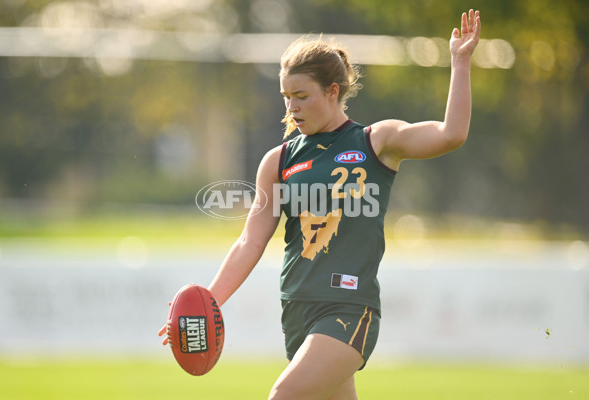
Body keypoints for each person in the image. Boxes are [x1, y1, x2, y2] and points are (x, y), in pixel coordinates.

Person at [160, 9, 481, 400]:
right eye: (286, 97)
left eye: (301, 96)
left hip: (348, 308)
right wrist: (208, 304)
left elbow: (452, 134)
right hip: (296, 311)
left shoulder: (376, 142)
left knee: (283, 396)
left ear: (332, 91)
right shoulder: (278, 161)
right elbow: (250, 242)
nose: (292, 107)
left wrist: (460, 62)